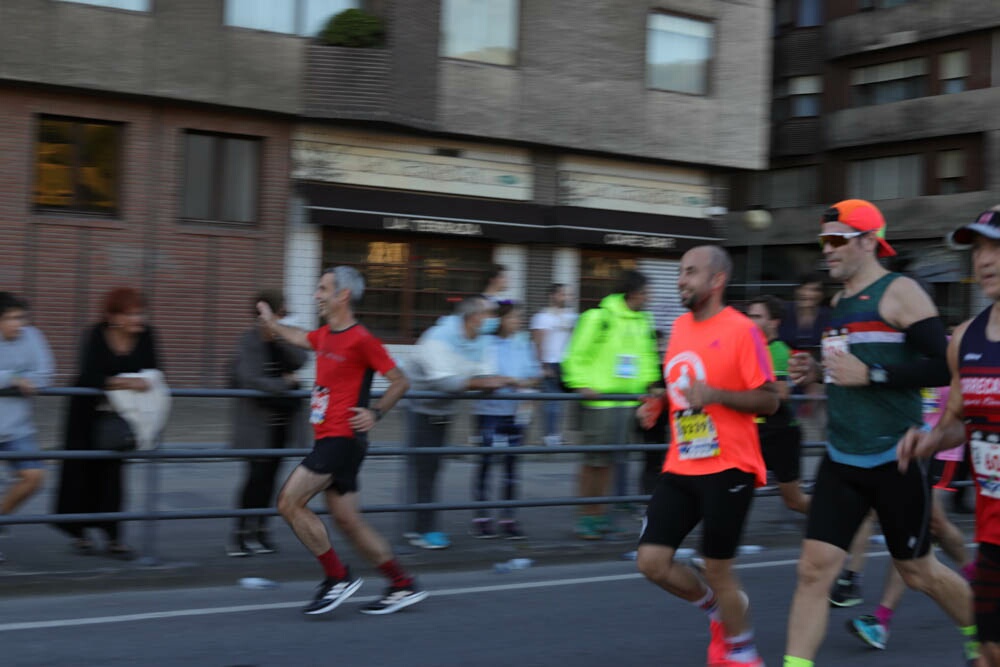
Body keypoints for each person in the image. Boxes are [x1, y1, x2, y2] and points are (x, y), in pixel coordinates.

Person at [782, 199, 976, 667]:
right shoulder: (838, 302)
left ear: (868, 242)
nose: (826, 250)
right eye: (822, 241)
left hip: (896, 458)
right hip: (841, 457)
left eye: (836, 240)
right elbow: (844, 369)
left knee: (918, 572)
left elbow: (944, 367)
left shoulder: (900, 292)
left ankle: (984, 634)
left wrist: (873, 376)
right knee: (812, 572)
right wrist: (813, 369)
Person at [636, 245, 779, 667]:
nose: (682, 279)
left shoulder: (741, 330)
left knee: (718, 567)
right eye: (681, 271)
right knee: (652, 561)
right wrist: (659, 403)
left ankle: (743, 652)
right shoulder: (679, 327)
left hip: (728, 466)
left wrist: (717, 395)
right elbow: (681, 383)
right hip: (682, 463)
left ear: (717, 280)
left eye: (691, 272)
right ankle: (718, 610)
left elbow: (770, 401)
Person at [257, 266, 424, 616]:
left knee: (288, 502)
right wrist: (272, 323)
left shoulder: (362, 339)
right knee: (348, 521)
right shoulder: (327, 335)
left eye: (323, 289)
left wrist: (375, 412)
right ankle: (401, 583)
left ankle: (337, 578)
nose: (317, 295)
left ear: (342, 295)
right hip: (333, 439)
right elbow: (300, 336)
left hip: (342, 439)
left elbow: (400, 381)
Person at [898, 205, 1000, 667]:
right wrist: (929, 439)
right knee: (988, 648)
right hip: (992, 529)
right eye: (978, 248)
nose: (984, 259)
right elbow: (959, 419)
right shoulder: (965, 339)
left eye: (995, 247)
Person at [53, 287, 159, 560]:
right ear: (114, 316)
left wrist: (134, 382)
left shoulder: (147, 336)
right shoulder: (96, 334)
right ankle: (79, 533)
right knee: (80, 470)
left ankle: (114, 538)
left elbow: (153, 372)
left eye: (140, 312)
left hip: (122, 415)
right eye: (132, 313)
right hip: (86, 412)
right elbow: (88, 375)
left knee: (113, 473)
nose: (139, 318)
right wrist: (125, 381)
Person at [404, 296, 515, 550]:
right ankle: (420, 531)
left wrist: (486, 381)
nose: (493, 320)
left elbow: (487, 374)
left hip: (445, 409)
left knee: (433, 469)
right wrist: (483, 382)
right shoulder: (439, 336)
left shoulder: (481, 340)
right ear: (474, 318)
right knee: (425, 470)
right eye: (489, 314)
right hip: (420, 408)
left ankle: (419, 526)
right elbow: (444, 381)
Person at [562, 270, 660, 540]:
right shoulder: (599, 317)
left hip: (628, 402)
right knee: (594, 463)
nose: (649, 297)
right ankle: (586, 517)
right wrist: (581, 384)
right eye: (646, 292)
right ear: (634, 292)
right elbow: (575, 354)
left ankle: (599, 514)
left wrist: (651, 385)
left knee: (611, 463)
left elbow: (648, 355)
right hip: (600, 402)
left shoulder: (644, 320)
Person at [227, 290, 308, 557]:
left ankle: (261, 530)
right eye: (282, 311)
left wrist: (278, 335)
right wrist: (283, 383)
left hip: (281, 423)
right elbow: (249, 378)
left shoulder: (283, 335)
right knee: (255, 479)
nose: (286, 315)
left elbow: (302, 359)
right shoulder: (248, 340)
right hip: (256, 423)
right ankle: (239, 535)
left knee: (272, 479)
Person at [470, 301, 541, 540]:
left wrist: (527, 382)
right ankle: (482, 516)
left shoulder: (523, 342)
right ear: (501, 319)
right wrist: (507, 380)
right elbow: (479, 375)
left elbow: (534, 375)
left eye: (520, 318)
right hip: (489, 411)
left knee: (512, 466)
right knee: (487, 463)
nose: (518, 322)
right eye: (513, 317)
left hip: (516, 412)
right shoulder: (485, 342)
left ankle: (508, 517)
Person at [0, 293, 53, 563]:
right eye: (10, 318)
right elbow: (23, 379)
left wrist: (24, 380)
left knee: (34, 476)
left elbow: (44, 375)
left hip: (18, 426)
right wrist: (15, 378)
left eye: (20, 317)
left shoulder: (33, 337)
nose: (18, 324)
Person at [746, 295, 810, 514]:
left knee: (794, 501)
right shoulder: (752, 348)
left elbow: (781, 394)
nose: (750, 321)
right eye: (749, 315)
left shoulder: (779, 351)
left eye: (757, 316)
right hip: (755, 431)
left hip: (780, 434)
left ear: (774, 322)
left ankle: (833, 515)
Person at [530, 283, 578, 447]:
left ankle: (556, 434)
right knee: (551, 402)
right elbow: (538, 342)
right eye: (562, 294)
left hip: (565, 364)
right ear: (552, 296)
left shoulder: (571, 316)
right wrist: (543, 365)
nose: (566, 297)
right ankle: (549, 436)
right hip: (549, 362)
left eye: (568, 295)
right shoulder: (542, 317)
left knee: (561, 402)